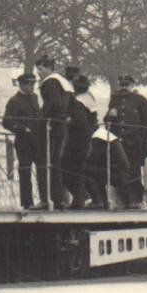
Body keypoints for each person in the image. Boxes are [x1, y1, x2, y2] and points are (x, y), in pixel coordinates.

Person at [2, 73, 45, 209]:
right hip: (24, 141)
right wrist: (22, 129)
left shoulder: (34, 98)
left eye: (33, 84)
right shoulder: (14, 101)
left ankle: (43, 200)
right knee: (25, 171)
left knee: (42, 170)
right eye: (29, 84)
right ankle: (27, 203)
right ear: (21, 84)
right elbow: (6, 121)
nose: (32, 87)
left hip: (37, 140)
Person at [36, 56, 74, 208]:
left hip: (51, 127)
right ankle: (61, 198)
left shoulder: (51, 82)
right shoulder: (63, 83)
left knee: (45, 162)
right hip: (62, 126)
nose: (39, 73)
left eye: (40, 69)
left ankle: (47, 199)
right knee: (57, 163)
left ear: (49, 68)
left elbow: (53, 104)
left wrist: (42, 117)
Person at [108, 75, 147, 202]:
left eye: (126, 85)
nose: (123, 88)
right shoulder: (114, 100)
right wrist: (110, 116)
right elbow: (107, 121)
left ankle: (136, 199)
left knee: (134, 171)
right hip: (119, 143)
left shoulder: (140, 100)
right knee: (120, 171)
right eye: (121, 85)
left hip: (135, 143)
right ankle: (124, 199)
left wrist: (140, 138)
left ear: (132, 86)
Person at [64, 72, 97, 207]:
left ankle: (80, 199)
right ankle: (90, 198)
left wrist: (68, 120)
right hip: (87, 138)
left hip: (76, 140)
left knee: (68, 169)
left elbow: (80, 121)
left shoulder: (78, 102)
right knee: (81, 169)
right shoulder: (90, 99)